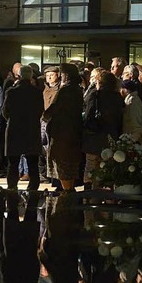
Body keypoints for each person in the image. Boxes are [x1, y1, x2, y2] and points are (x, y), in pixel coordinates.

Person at [42, 63, 83, 191]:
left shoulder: (66, 90)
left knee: (63, 164)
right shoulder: (77, 89)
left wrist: (45, 116)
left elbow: (55, 108)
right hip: (73, 131)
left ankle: (67, 193)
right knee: (68, 164)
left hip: (62, 132)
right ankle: (68, 189)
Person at [3, 65, 44, 190]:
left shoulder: (12, 92)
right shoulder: (37, 92)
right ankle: (33, 188)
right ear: (31, 76)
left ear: (18, 76)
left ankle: (12, 187)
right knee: (32, 163)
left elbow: (5, 111)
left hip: (15, 129)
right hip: (31, 129)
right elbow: (40, 111)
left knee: (13, 163)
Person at [82, 71, 124, 187]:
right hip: (110, 135)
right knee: (107, 166)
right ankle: (105, 195)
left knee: (90, 165)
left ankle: (89, 196)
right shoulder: (117, 97)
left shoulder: (95, 95)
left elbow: (88, 115)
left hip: (94, 135)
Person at [121, 79, 142, 144]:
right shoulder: (131, 100)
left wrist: (130, 142)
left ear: (126, 89)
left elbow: (137, 125)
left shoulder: (133, 101)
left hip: (133, 142)